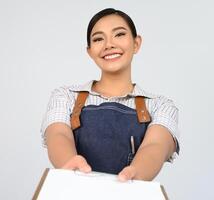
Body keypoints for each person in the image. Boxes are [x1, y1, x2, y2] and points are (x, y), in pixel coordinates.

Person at [40, 8, 180, 182]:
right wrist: (70, 163)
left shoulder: (160, 106)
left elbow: (156, 145)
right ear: (89, 51)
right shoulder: (66, 96)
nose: (109, 44)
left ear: (136, 44)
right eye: (98, 39)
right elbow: (57, 134)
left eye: (119, 35)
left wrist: (135, 174)